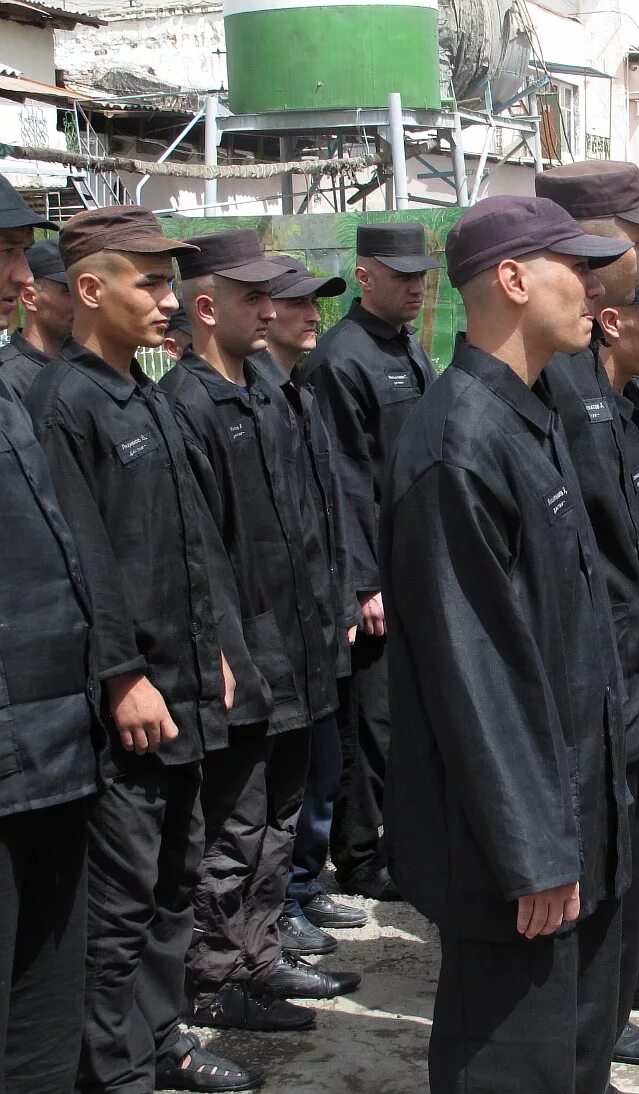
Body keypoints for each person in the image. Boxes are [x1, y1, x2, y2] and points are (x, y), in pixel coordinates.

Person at [382, 194, 632, 1092]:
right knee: (511, 1065)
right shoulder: (459, 444)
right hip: (514, 845)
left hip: (572, 810)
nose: (594, 286)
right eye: (576, 267)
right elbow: (473, 673)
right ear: (516, 280)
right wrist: (533, 852)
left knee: (573, 1053)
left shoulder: (527, 416)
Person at [25, 205, 263, 1092]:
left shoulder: (144, 398)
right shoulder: (63, 406)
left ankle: (163, 1045)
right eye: (150, 283)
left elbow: (193, 542)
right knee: (118, 906)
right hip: (130, 707)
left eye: (170, 283)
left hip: (187, 689)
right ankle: (114, 1071)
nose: (168, 301)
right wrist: (123, 674)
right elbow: (80, 561)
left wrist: (221, 650)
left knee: (173, 885)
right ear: (90, 289)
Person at [161, 231, 357, 1034]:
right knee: (235, 829)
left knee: (280, 817)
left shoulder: (268, 393)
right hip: (245, 661)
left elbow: (309, 526)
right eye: (252, 297)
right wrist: (228, 656)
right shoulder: (187, 406)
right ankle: (213, 981)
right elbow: (199, 557)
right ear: (206, 308)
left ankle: (260, 953)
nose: (271, 309)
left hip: (297, 651)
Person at [533, 162, 639, 1071]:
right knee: (597, 854)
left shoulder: (604, 380)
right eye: (632, 240)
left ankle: (617, 986)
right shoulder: (554, 385)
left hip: (638, 655)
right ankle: (591, 1011)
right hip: (596, 667)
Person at [0, 178, 105, 1094]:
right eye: (1, 254)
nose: (15, 275)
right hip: (11, 752)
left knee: (43, 1002)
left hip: (51, 749)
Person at [304, 222, 439, 902]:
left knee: (408, 718)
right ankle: (359, 856)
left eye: (421, 274)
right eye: (400, 274)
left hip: (416, 565)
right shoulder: (341, 359)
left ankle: (395, 843)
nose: (415, 286)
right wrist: (362, 583)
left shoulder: (405, 348)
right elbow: (343, 480)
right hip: (376, 575)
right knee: (371, 720)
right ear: (364, 276)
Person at [256, 255, 369, 956]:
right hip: (275, 633)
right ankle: (279, 905)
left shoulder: (294, 390)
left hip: (317, 620)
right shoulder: (255, 396)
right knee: (277, 788)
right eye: (297, 304)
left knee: (321, 769)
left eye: (316, 304)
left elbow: (331, 507)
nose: (312, 316)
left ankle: (301, 885)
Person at [0, 239, 71, 399]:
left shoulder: (85, 368)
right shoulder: (7, 378)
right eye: (68, 292)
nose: (81, 301)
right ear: (29, 297)